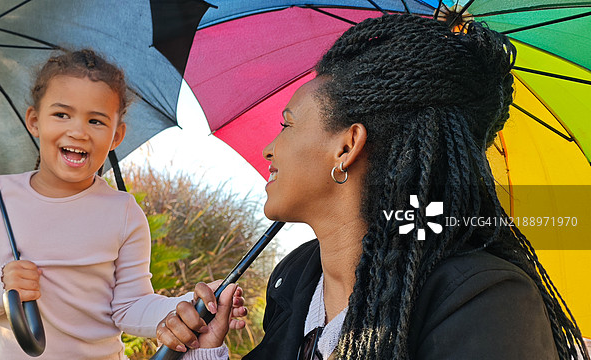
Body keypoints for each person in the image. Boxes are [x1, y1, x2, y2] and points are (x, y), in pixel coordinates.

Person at [155, 15, 589, 360]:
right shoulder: (294, 284)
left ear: (347, 146)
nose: (270, 148)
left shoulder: (485, 302)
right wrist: (206, 352)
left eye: (286, 125)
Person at [0, 49, 245, 359]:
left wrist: (191, 307)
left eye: (96, 121)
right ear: (34, 121)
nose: (78, 131)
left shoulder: (123, 212)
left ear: (117, 136)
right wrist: (0, 286)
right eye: (61, 114)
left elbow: (130, 307)